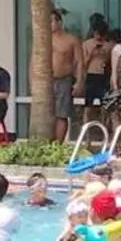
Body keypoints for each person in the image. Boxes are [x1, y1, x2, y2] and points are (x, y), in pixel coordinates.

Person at [49, 9, 83, 142]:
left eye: (51, 21)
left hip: (64, 79)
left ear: (59, 22)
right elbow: (34, 61)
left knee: (61, 114)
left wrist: (79, 81)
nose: (49, 24)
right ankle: (47, 143)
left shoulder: (71, 40)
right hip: (46, 81)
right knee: (48, 114)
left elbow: (79, 61)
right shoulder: (43, 40)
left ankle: (58, 145)